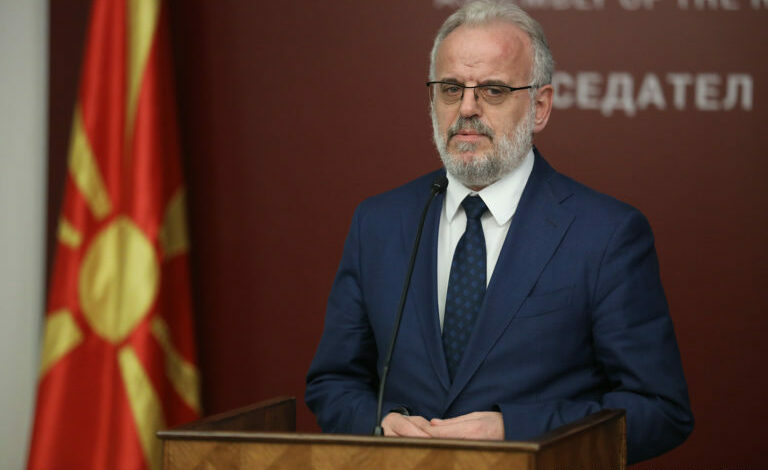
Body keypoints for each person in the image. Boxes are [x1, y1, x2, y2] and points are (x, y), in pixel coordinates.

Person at [305, 0, 693, 464]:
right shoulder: (379, 223)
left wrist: (516, 431)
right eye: (451, 88)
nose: (467, 108)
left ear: (540, 106)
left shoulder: (606, 234)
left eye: (492, 90)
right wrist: (379, 423)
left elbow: (659, 410)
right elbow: (334, 382)